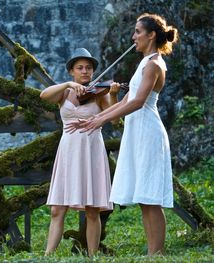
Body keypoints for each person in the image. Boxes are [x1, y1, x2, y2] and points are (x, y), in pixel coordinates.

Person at [66, 14, 178, 255]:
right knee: (143, 197)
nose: (133, 36)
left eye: (138, 31)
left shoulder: (154, 64)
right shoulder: (144, 62)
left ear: (151, 35)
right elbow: (126, 99)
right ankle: (152, 252)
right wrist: (96, 119)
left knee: (150, 196)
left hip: (148, 130)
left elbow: (137, 102)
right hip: (136, 130)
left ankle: (156, 253)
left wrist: (102, 118)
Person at [40, 48, 120, 257]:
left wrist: (113, 94)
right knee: (57, 209)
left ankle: (92, 256)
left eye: (89, 68)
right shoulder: (64, 93)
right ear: (71, 72)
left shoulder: (99, 94)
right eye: (80, 68)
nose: (85, 72)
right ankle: (48, 256)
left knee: (92, 210)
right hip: (68, 151)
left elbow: (115, 119)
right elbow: (43, 95)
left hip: (91, 149)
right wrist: (68, 85)